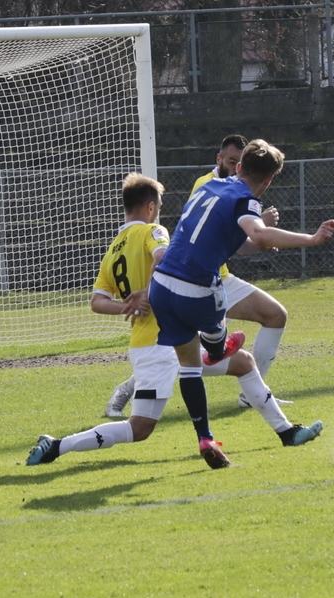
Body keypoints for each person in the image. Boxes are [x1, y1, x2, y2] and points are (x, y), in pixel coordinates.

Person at [26, 173, 322, 469]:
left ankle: (286, 432)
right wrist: (149, 294)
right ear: (151, 207)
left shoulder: (113, 250)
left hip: (149, 344)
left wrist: (129, 305)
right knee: (139, 427)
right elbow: (164, 256)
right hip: (162, 342)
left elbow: (97, 302)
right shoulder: (153, 231)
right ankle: (56, 446)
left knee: (242, 363)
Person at [148, 139, 334, 468]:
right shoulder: (246, 200)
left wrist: (257, 245)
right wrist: (311, 239)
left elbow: (232, 241)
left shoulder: (210, 187)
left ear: (238, 167)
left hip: (162, 286)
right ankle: (219, 346)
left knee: (193, 368)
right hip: (196, 289)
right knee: (218, 312)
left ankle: (207, 437)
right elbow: (260, 233)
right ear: (269, 180)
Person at [103, 134, 292, 416]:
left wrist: (260, 240)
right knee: (183, 350)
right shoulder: (209, 185)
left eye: (241, 162)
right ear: (221, 160)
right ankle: (129, 389)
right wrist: (264, 229)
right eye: (231, 161)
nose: (237, 167)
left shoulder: (241, 189)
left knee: (274, 316)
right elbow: (198, 237)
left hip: (219, 277)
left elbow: (236, 246)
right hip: (197, 280)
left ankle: (252, 394)